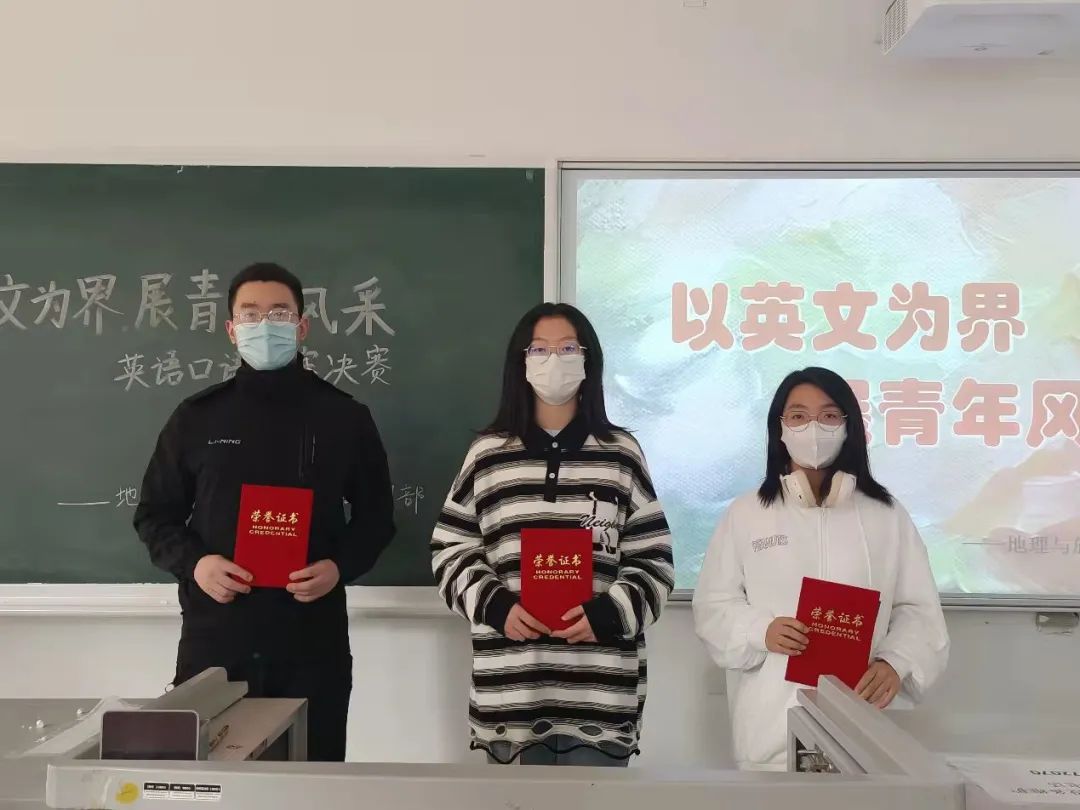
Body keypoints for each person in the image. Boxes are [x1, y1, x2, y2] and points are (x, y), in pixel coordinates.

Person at [134, 261, 395, 762]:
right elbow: (155, 515)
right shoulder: (196, 417)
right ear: (232, 330)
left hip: (311, 641)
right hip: (218, 640)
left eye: (279, 313)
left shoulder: (344, 416)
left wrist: (339, 567)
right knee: (212, 785)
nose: (264, 324)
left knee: (310, 781)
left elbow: (376, 519)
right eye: (250, 314)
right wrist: (197, 564)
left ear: (302, 326)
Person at [431, 302, 674, 766]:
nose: (553, 360)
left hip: (600, 696)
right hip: (513, 693)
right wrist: (496, 606)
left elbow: (654, 560)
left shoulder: (620, 454)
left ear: (588, 360)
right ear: (521, 362)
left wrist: (610, 613)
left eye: (567, 349)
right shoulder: (488, 454)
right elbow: (449, 549)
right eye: (539, 349)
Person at [692, 367, 949, 772]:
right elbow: (713, 606)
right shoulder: (747, 514)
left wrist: (896, 663)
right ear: (779, 427)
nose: (813, 428)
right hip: (770, 738)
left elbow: (919, 610)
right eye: (798, 416)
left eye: (828, 416)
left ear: (848, 426)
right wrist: (760, 631)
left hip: (863, 731)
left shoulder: (886, 515)